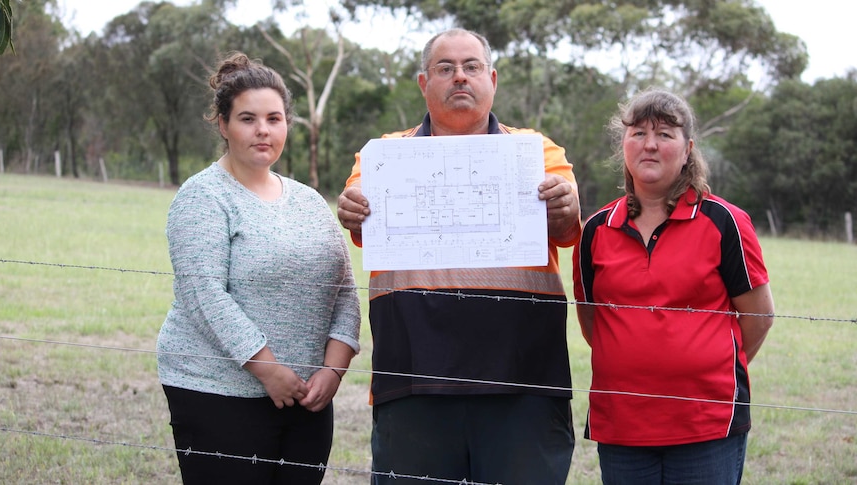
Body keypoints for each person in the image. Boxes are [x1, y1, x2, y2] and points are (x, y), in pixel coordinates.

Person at [337, 28, 580, 484]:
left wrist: (565, 206)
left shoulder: (537, 152)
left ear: (492, 78)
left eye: (471, 67)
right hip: (413, 384)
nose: (460, 78)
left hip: (523, 386)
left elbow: (567, 225)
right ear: (423, 83)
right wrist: (351, 208)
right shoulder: (382, 157)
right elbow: (359, 211)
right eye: (445, 68)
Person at [156, 51, 361, 485]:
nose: (263, 130)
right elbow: (204, 294)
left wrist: (333, 370)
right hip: (216, 392)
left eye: (274, 118)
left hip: (306, 397)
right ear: (223, 125)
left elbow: (343, 290)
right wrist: (268, 369)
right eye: (248, 119)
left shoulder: (309, 202)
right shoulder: (204, 197)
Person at [572, 88, 775, 485]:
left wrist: (703, 365)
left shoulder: (726, 222)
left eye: (665, 134)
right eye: (638, 133)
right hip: (622, 427)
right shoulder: (594, 230)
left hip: (707, 425)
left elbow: (759, 317)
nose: (650, 144)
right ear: (623, 145)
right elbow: (592, 322)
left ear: (687, 149)